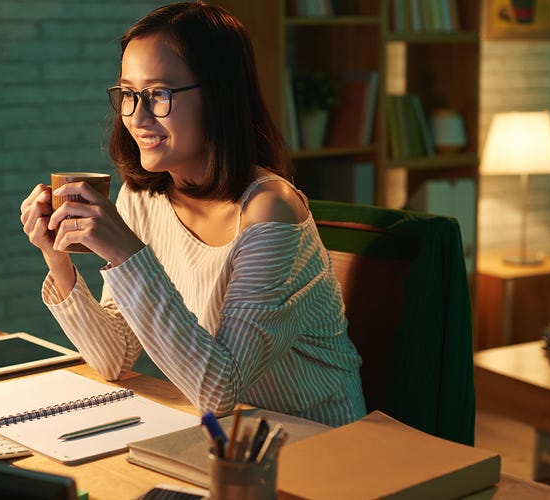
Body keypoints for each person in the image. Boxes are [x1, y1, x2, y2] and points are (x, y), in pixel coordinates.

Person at [19, 2, 365, 426]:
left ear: (218, 96)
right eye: (128, 94)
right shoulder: (143, 196)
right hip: (226, 437)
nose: (137, 117)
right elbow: (114, 358)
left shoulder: (271, 211)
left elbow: (219, 389)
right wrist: (58, 257)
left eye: (158, 94)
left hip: (317, 443)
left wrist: (127, 253)